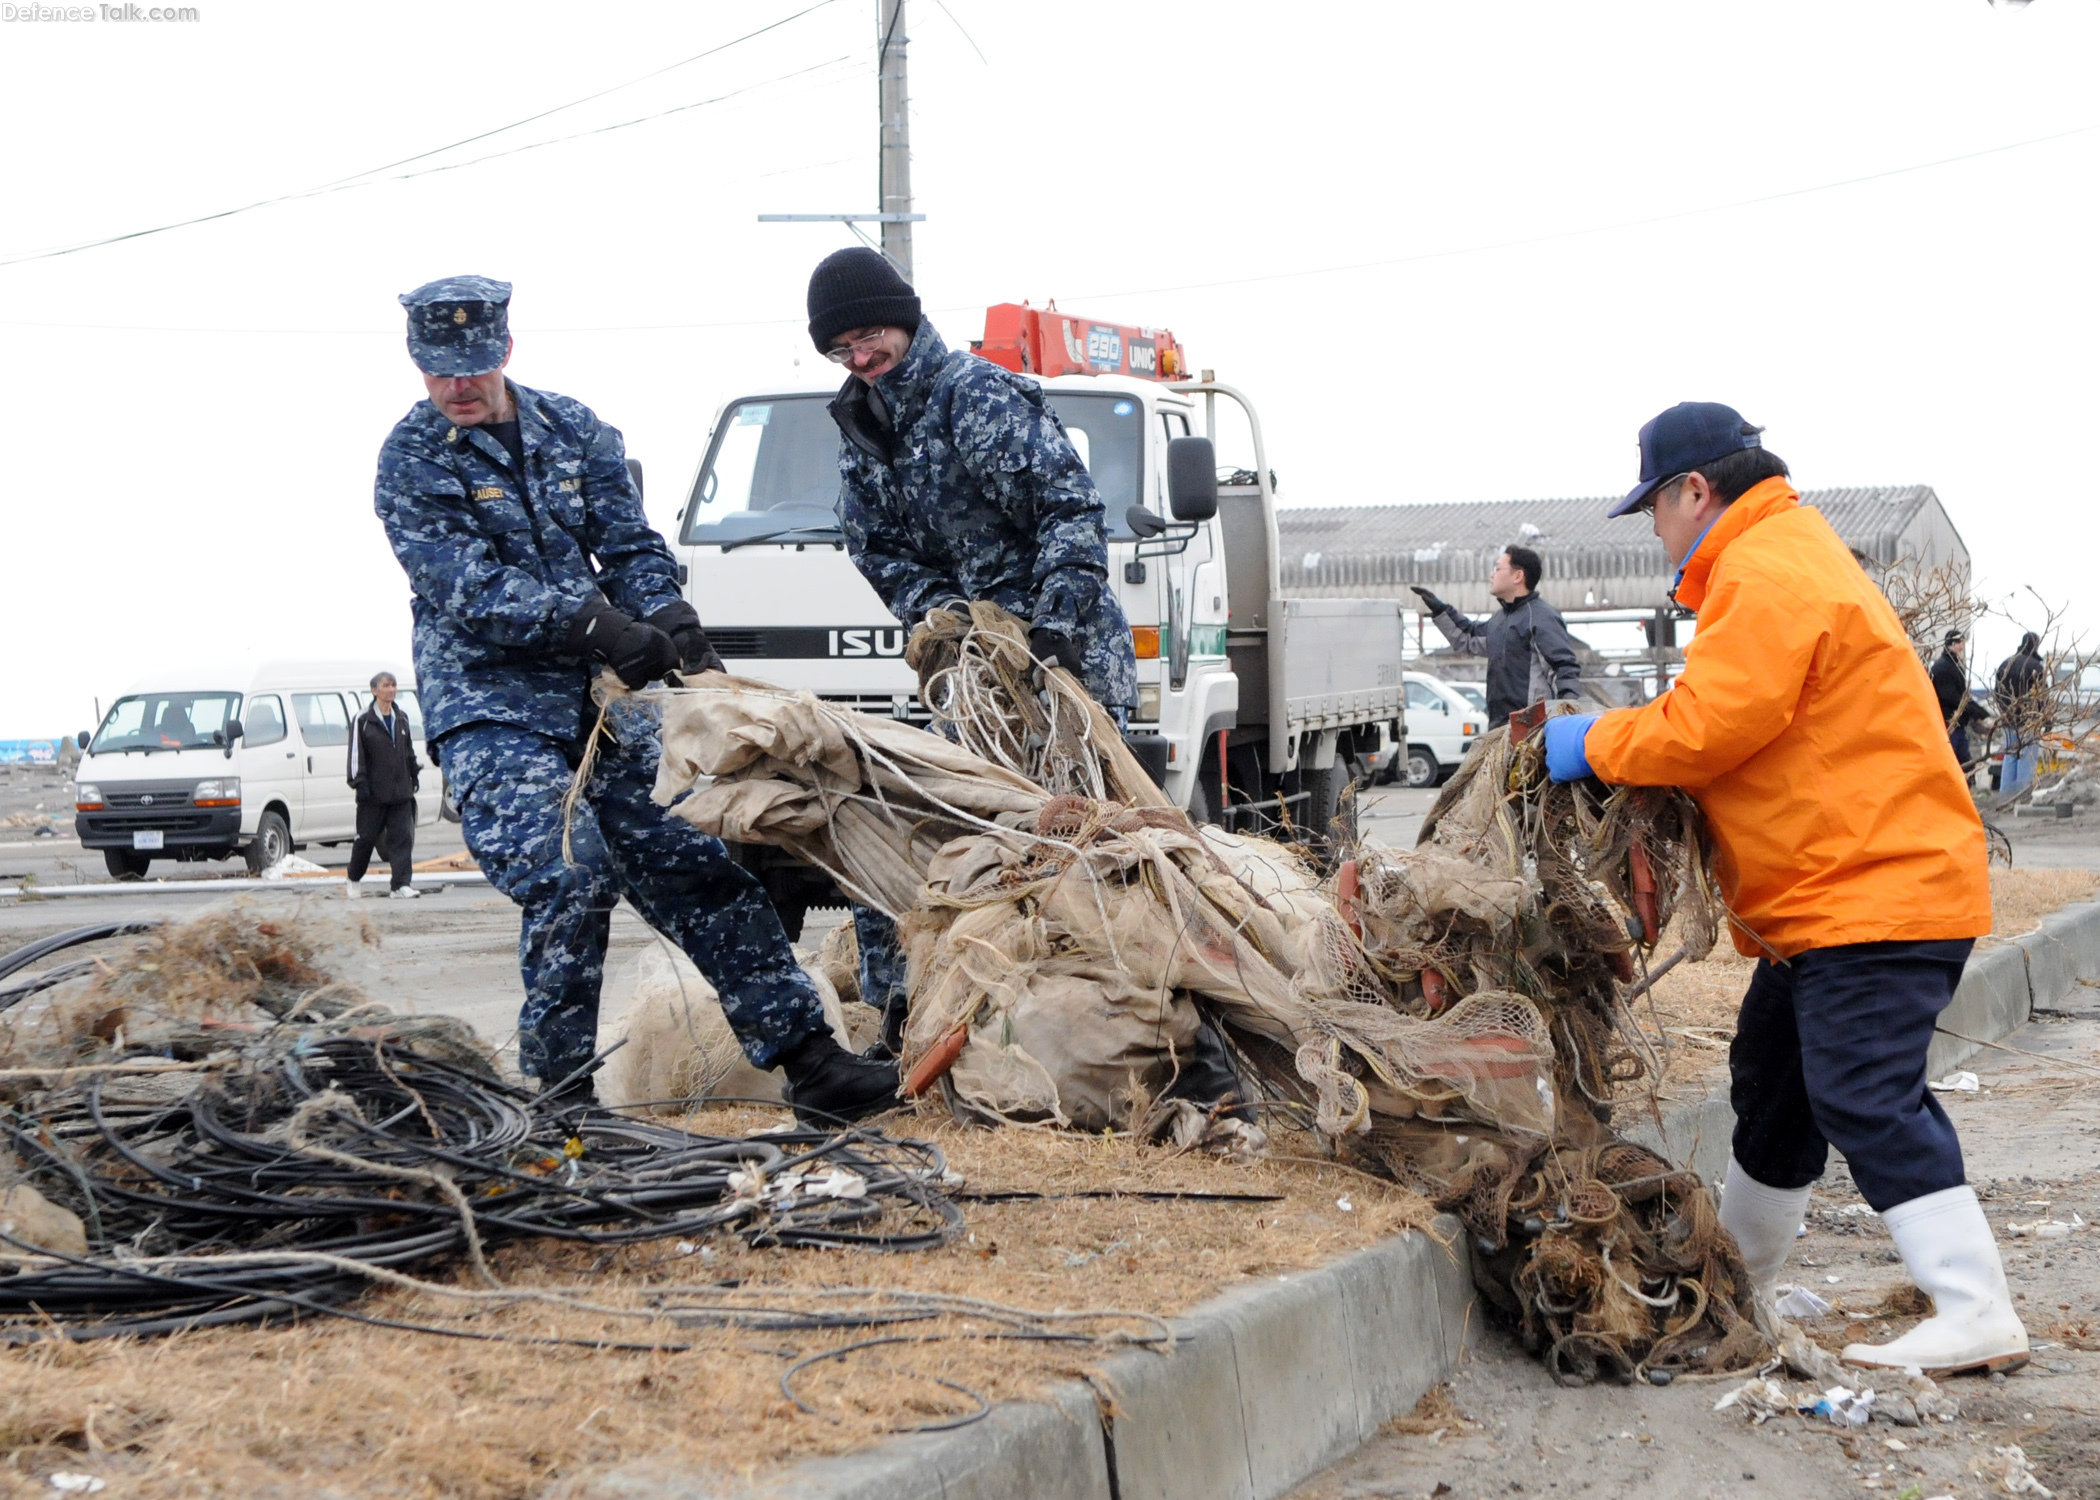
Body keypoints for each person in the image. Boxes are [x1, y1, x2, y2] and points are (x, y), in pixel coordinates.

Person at [1539, 401, 2024, 1377]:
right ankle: (1737, 1287)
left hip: (1873, 895)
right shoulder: (1783, 555)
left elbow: (1713, 724)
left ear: (1695, 490)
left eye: (1656, 510)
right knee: (1774, 1092)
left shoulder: (1765, 568)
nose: (1657, 531)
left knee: (1864, 1096)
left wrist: (1591, 742)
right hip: (1835, 901)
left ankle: (1975, 1306)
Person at [374, 275, 897, 1121]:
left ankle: (813, 1066)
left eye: (471, 367)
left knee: (701, 868)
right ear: (418, 364)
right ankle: (560, 1106)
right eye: (439, 371)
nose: (457, 387)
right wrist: (594, 625)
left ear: (504, 350)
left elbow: (627, 544)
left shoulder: (574, 431)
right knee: (566, 873)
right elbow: (468, 588)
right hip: (493, 708)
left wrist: (667, 615)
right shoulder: (412, 460)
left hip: (600, 712)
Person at [805, 247, 1139, 1055]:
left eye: (870, 336)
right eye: (842, 348)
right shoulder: (862, 424)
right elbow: (877, 549)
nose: (860, 357)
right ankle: (913, 1021)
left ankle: (1117, 1010)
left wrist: (1050, 624)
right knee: (927, 823)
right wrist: (944, 625)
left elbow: (1067, 510)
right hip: (969, 676)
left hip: (1062, 660)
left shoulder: (974, 396)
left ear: (905, 318)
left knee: (1080, 842)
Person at [1409, 545, 1584, 728]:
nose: (1492, 575)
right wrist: (1440, 610)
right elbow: (1468, 637)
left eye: (1497, 568)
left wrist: (1568, 716)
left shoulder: (1542, 617)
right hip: (1499, 727)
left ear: (1518, 576)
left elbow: (1562, 667)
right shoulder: (1499, 620)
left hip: (1533, 730)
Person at [345, 671, 422, 899]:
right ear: (374, 690)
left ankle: (400, 885)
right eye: (387, 686)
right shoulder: (363, 720)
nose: (391, 690)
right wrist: (360, 783)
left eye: (394, 685)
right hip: (373, 795)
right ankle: (353, 878)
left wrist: (413, 774)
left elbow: (408, 751)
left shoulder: (402, 718)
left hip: (400, 793)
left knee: (402, 839)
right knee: (366, 840)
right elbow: (355, 756)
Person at [1993, 631, 2047, 795]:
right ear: (2036, 645)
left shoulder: (2005, 664)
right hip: (2029, 719)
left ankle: (2006, 795)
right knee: (2027, 757)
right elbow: (2041, 695)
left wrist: (2004, 711)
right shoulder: (2035, 667)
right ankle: (2022, 795)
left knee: (2010, 756)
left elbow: (1997, 692)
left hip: (2008, 718)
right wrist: (2044, 717)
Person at [1930, 630, 1989, 774]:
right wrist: (1977, 712)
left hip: (1956, 724)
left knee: (1963, 763)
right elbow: (1953, 698)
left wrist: (1980, 712)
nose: (1962, 646)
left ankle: (1964, 792)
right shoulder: (1943, 667)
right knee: (1954, 763)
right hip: (1949, 723)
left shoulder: (1951, 666)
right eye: (1959, 643)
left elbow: (1962, 697)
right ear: (1951, 645)